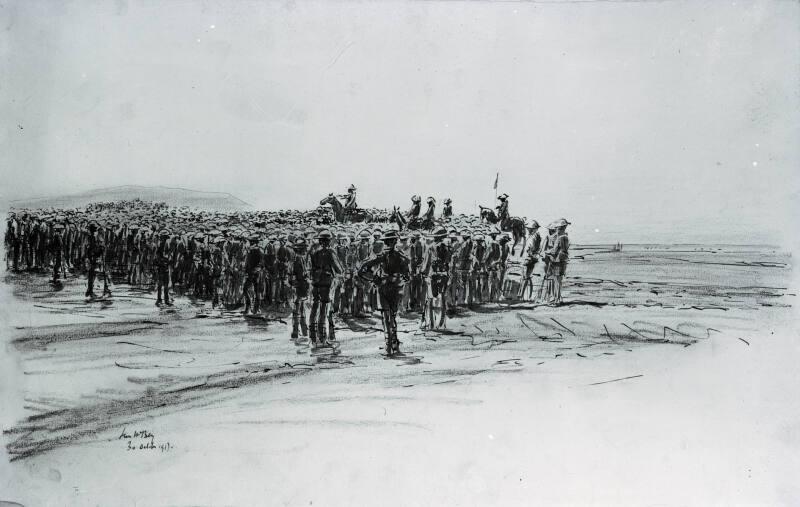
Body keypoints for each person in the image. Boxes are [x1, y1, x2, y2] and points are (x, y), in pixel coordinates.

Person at [357, 229, 410, 356]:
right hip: (395, 288)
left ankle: (389, 343)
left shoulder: (381, 256)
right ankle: (393, 342)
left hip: (384, 288)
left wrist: (374, 279)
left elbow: (362, 269)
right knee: (392, 315)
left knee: (387, 316)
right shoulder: (401, 257)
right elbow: (407, 276)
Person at [309, 229, 343, 346]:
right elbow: (339, 268)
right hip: (326, 283)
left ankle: (312, 336)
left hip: (315, 283)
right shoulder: (331, 252)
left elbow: (312, 268)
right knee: (324, 309)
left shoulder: (315, 253)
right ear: (329, 241)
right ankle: (322, 337)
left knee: (314, 308)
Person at [421, 226, 451, 329]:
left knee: (430, 298)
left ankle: (431, 323)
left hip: (433, 274)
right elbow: (448, 261)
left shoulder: (430, 247)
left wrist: (423, 272)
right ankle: (441, 323)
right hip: (443, 274)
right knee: (442, 297)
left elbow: (426, 262)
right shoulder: (446, 248)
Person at [290, 237, 311, 339]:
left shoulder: (300, 259)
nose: (306, 250)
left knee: (300, 309)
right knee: (297, 309)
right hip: (299, 287)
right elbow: (294, 275)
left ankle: (303, 330)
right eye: (304, 248)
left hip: (301, 286)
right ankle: (296, 330)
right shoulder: (296, 260)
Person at [546, 219, 570, 304]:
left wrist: (547, 252)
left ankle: (556, 299)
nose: (556, 230)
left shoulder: (559, 238)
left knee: (556, 281)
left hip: (557, 261)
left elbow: (554, 250)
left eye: (557, 228)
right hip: (563, 260)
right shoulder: (566, 236)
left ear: (559, 228)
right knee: (559, 280)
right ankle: (558, 298)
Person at [520, 220, 542, 300]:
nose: (528, 230)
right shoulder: (537, 236)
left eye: (529, 229)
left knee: (525, 277)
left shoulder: (532, 237)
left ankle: (522, 295)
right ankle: (527, 296)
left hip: (528, 258)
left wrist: (528, 254)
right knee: (527, 277)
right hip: (533, 258)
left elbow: (530, 248)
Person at [242, 234, 263, 314]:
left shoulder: (259, 251)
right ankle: (250, 307)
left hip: (255, 274)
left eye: (251, 242)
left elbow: (261, 263)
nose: (250, 243)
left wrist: (256, 270)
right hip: (250, 273)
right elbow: (247, 263)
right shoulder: (250, 251)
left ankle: (255, 308)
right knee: (247, 289)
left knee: (256, 290)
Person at [154, 229, 173, 305]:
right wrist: (164, 261)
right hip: (162, 265)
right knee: (162, 283)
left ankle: (163, 299)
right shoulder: (161, 244)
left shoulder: (164, 244)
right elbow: (158, 256)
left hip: (163, 264)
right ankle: (161, 299)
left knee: (163, 283)